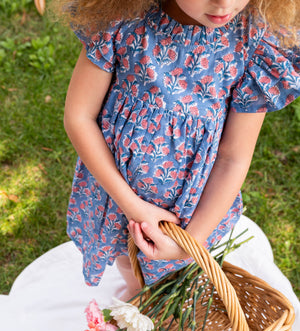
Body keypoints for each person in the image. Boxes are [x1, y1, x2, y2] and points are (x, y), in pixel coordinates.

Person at [55, 0, 300, 300]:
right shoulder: (122, 19)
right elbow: (79, 117)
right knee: (131, 269)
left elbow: (233, 157)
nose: (224, 3)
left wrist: (190, 242)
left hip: (192, 210)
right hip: (117, 201)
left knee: (181, 290)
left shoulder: (255, 40)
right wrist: (134, 208)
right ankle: (137, 304)